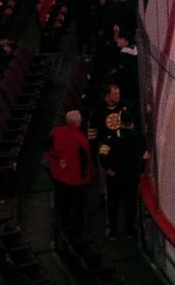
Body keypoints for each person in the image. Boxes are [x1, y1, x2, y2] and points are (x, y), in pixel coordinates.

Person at [93, 83, 146, 239]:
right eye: (114, 94)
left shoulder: (112, 139)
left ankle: (118, 230)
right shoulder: (98, 110)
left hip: (116, 172)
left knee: (118, 202)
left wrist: (108, 167)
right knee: (125, 202)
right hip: (129, 173)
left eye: (118, 93)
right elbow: (144, 155)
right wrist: (140, 170)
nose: (117, 97)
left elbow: (104, 155)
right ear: (107, 96)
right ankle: (127, 230)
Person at [45, 111, 94, 240]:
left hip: (59, 175)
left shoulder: (55, 132)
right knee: (78, 206)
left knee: (62, 203)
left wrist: (58, 159)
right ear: (77, 123)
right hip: (76, 179)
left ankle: (63, 225)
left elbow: (48, 148)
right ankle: (78, 232)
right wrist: (88, 175)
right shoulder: (81, 139)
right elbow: (86, 161)